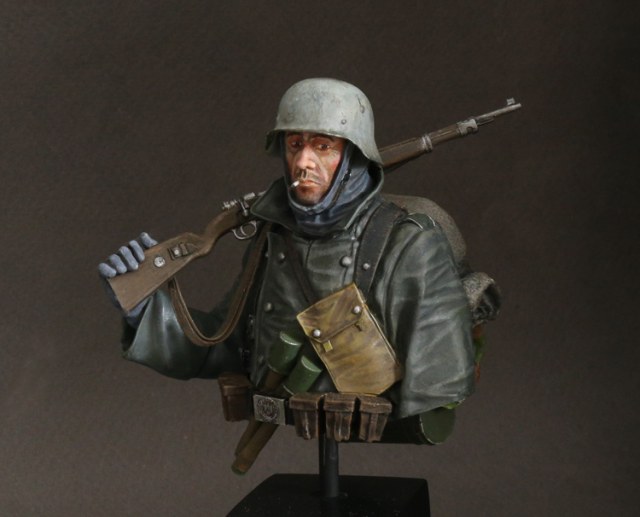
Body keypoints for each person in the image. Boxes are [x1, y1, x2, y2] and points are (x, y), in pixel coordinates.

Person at [99, 78, 491, 468]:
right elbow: (225, 344)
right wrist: (146, 310)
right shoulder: (273, 237)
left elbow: (440, 379)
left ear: (355, 155)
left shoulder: (409, 243)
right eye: (294, 145)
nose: (303, 162)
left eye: (323, 146)